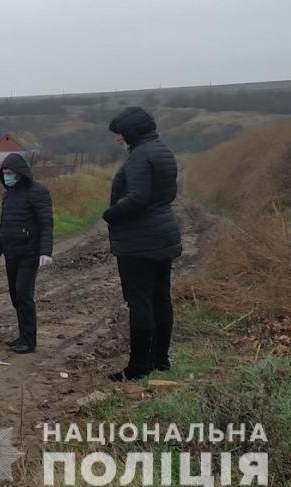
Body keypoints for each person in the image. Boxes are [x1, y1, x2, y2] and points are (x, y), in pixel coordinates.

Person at [103, 106, 182, 381]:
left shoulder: (139, 156)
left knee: (139, 301)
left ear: (132, 132)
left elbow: (138, 197)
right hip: (162, 233)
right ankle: (160, 360)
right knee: (160, 297)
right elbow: (168, 193)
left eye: (120, 133)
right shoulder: (162, 151)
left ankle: (138, 366)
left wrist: (111, 214)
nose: (117, 138)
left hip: (139, 240)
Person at [0, 153, 54, 354]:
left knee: (24, 293)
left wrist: (45, 251)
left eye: (10, 173)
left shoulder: (38, 192)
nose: (7, 176)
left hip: (29, 253)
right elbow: (4, 226)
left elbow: (46, 223)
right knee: (15, 296)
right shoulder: (8, 195)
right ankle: (22, 336)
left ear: (20, 173)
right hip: (11, 252)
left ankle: (29, 341)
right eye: (4, 173)